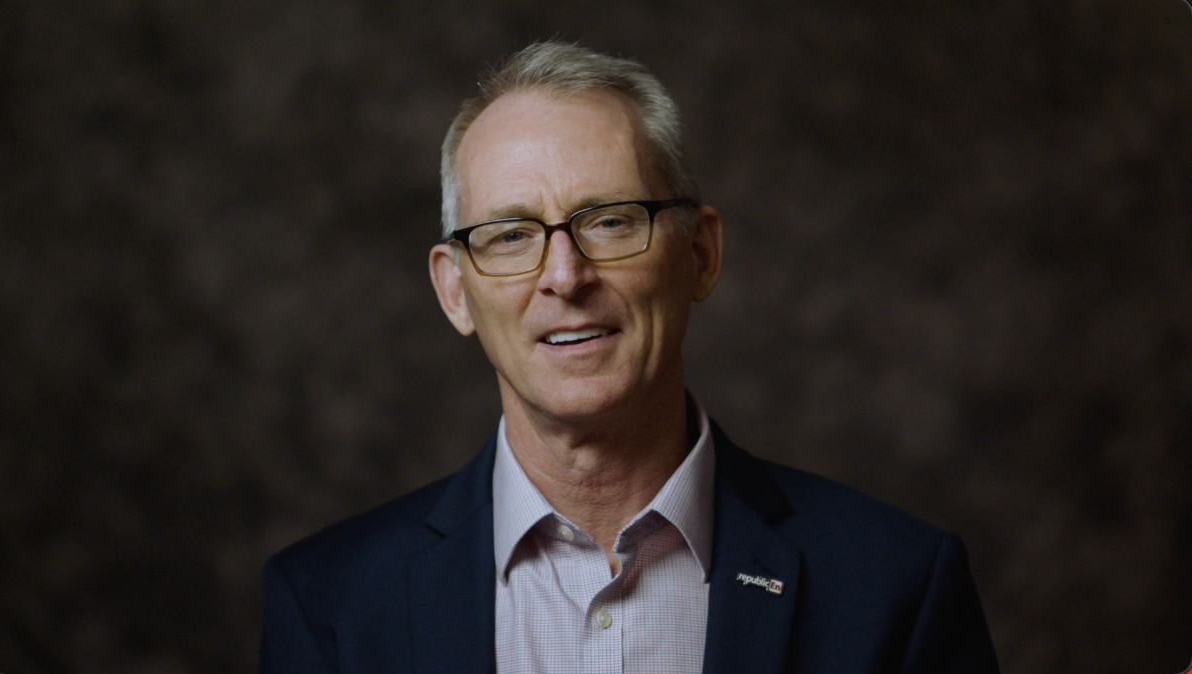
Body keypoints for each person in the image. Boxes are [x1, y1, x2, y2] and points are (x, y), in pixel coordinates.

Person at [260, 41, 999, 674]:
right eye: (511, 235)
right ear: (456, 291)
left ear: (701, 254)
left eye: (611, 221)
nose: (565, 276)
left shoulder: (894, 588)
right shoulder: (330, 605)